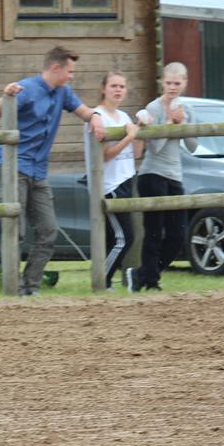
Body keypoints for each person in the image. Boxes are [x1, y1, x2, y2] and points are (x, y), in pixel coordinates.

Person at [0, 46, 108, 296]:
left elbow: (85, 111)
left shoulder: (63, 92)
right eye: (70, 71)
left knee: (48, 229)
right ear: (56, 68)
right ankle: (10, 289)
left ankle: (29, 286)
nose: (72, 76)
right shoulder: (27, 88)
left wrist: (96, 117)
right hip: (14, 167)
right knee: (16, 230)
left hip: (38, 171)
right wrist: (6, 95)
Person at [127, 62, 198, 292]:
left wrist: (182, 122)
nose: (172, 87)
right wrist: (168, 122)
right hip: (152, 174)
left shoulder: (187, 109)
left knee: (178, 234)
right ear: (162, 82)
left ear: (185, 83)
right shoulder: (153, 108)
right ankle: (151, 282)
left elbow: (193, 145)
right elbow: (154, 148)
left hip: (174, 176)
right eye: (168, 83)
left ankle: (140, 274)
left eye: (177, 83)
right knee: (154, 231)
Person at [84, 73, 144, 290]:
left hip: (127, 180)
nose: (118, 90)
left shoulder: (124, 117)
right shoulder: (98, 116)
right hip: (109, 186)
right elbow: (104, 155)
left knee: (114, 238)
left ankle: (106, 282)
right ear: (103, 89)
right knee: (126, 237)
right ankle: (102, 280)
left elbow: (136, 153)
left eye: (122, 86)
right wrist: (128, 136)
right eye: (113, 86)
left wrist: (139, 131)